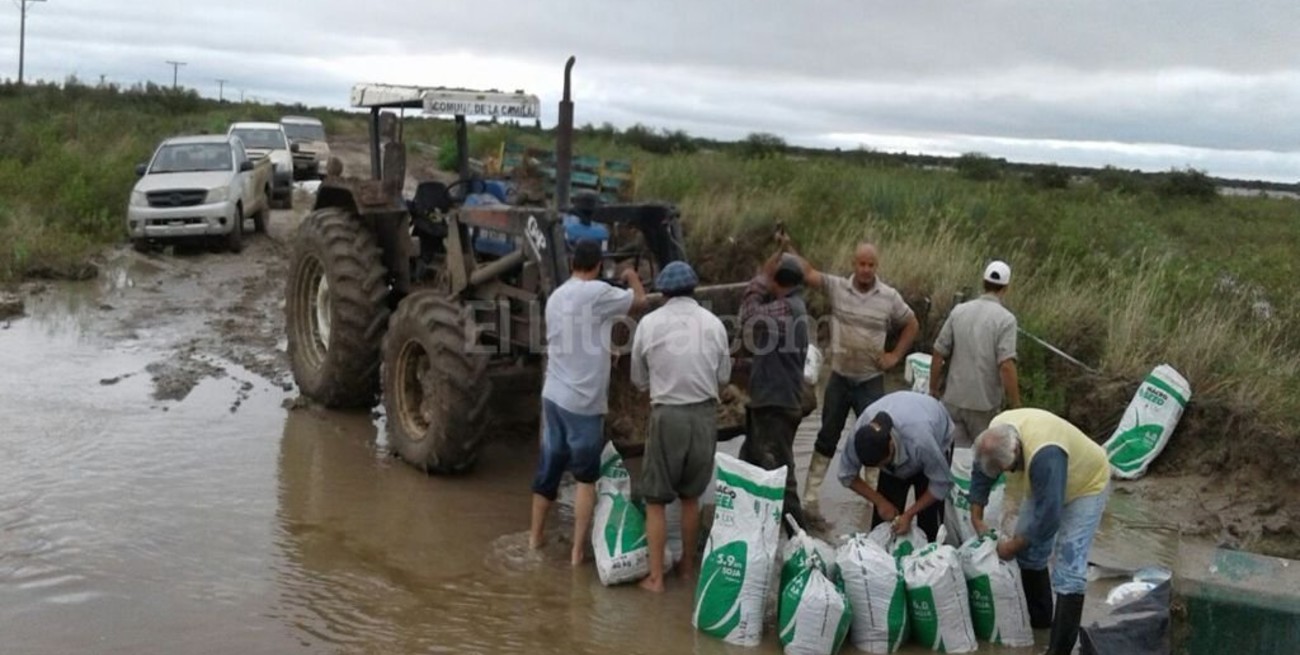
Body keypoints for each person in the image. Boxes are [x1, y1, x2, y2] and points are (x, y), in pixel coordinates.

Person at [530, 239, 647, 565]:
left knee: (548, 470)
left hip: (553, 396)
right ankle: (577, 553)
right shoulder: (598, 294)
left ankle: (534, 539)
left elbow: (578, 332)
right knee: (585, 478)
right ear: (597, 267)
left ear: (571, 264)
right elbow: (638, 301)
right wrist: (630, 275)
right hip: (583, 403)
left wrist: (604, 347)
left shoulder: (556, 297)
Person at [784, 241, 920, 510]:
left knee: (878, 439)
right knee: (826, 437)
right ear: (853, 264)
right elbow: (809, 273)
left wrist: (894, 356)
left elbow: (912, 324)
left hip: (870, 380)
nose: (866, 270)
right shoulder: (837, 287)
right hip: (839, 378)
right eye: (861, 264)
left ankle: (872, 504)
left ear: (876, 266)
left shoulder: (889, 296)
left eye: (871, 265)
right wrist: (788, 247)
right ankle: (810, 498)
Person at [970, 408, 1112, 655]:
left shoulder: (1045, 454)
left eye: (1011, 468)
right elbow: (983, 472)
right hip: (1046, 484)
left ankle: (1058, 649)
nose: (1010, 473)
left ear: (1015, 452)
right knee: (1031, 555)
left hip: (1086, 484)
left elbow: (1049, 517)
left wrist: (1013, 545)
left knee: (1069, 571)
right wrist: (977, 517)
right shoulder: (995, 433)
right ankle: (1041, 623)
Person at [629, 261, 731, 593]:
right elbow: (724, 377)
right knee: (691, 497)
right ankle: (688, 569)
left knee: (655, 500)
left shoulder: (649, 324)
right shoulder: (714, 325)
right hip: (704, 416)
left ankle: (656, 578)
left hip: (667, 415)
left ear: (664, 293)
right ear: (693, 289)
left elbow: (638, 380)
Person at [738, 249, 811, 535]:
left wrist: (761, 279)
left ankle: (799, 538)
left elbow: (748, 315)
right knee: (750, 466)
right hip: (771, 403)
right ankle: (750, 530)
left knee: (782, 475)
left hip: (776, 405)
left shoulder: (786, 309)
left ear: (777, 283)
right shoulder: (793, 306)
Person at [837, 390, 955, 542]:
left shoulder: (922, 440)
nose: (881, 467)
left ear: (891, 445)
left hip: (935, 437)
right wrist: (879, 501)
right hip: (902, 433)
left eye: (884, 463)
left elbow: (941, 484)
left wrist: (909, 514)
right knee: (884, 523)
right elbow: (846, 475)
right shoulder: (859, 435)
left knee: (930, 525)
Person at [929, 260, 1021, 447]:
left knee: (952, 457)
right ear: (1006, 288)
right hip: (984, 405)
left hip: (953, 400)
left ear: (983, 282)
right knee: (982, 461)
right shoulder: (1006, 320)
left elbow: (939, 352)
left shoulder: (959, 311)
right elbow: (1006, 366)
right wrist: (1016, 405)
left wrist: (933, 389)